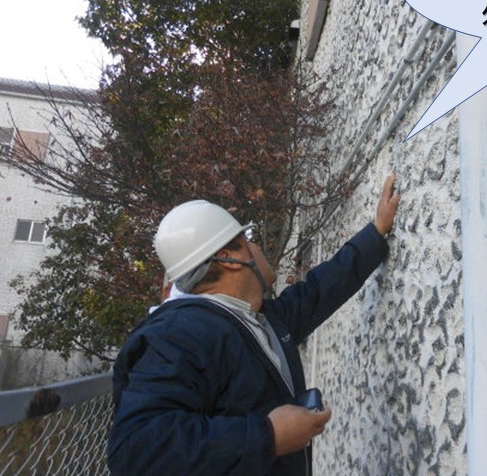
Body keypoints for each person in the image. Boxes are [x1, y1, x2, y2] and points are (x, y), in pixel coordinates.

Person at [107, 174, 400, 475]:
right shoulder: (179, 333)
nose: (256, 246)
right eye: (247, 241)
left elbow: (319, 291)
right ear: (229, 259)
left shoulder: (256, 319)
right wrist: (268, 436)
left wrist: (377, 230)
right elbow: (136, 450)